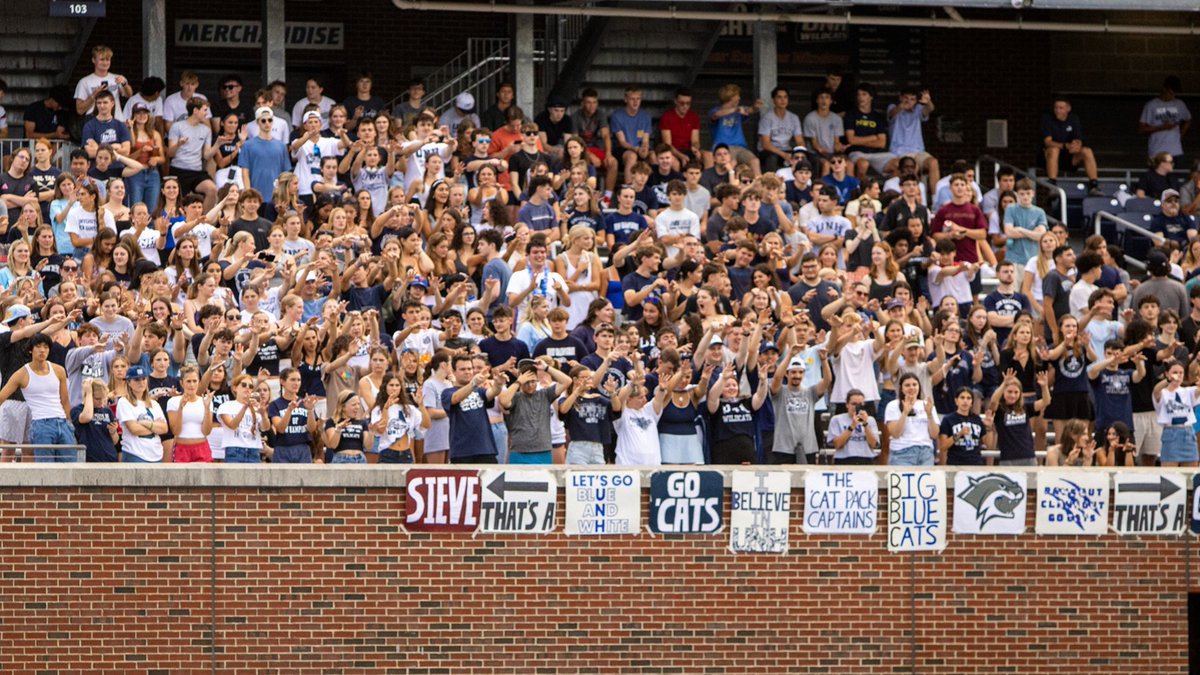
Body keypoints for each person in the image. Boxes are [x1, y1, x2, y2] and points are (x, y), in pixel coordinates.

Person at [0, 334, 73, 462]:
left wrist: (70, 423)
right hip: (40, 423)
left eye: (46, 347)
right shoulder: (22, 374)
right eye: (38, 346)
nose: (42, 350)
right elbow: (2, 396)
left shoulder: (59, 370)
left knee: (70, 464)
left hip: (62, 421)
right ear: (31, 350)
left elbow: (65, 400)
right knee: (45, 466)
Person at [498, 358, 572, 464]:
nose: (530, 385)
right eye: (526, 382)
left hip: (543, 451)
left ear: (537, 380)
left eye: (533, 381)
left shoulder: (545, 394)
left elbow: (567, 381)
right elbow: (503, 401)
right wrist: (518, 382)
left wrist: (546, 368)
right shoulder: (515, 397)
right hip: (519, 451)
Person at [442, 354, 504, 463]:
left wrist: (498, 385)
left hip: (486, 449)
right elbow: (456, 398)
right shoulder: (447, 392)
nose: (467, 372)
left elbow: (491, 393)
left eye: (469, 369)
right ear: (453, 371)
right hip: (462, 452)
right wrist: (473, 383)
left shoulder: (479, 390)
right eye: (462, 369)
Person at [1040, 97, 1102, 195]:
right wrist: (1064, 146)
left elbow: (1078, 139)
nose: (1057, 110)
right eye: (1056, 108)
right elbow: (1047, 142)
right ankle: (1052, 185)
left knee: (1087, 151)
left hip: (1070, 158)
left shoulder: (1073, 118)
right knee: (1054, 150)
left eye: (1061, 108)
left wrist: (1076, 146)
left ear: (1068, 109)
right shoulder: (1047, 118)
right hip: (1050, 158)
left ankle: (1093, 185)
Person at [887, 88, 939, 193]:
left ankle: (935, 199)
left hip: (918, 151)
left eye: (912, 99)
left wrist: (928, 101)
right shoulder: (893, 107)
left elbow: (930, 109)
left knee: (933, 162)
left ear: (916, 101)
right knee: (910, 167)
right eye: (906, 98)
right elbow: (892, 113)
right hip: (899, 151)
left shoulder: (918, 110)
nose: (908, 101)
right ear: (900, 98)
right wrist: (902, 106)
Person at [116, 365, 169, 463]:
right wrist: (155, 428)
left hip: (156, 454)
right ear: (129, 382)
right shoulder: (124, 402)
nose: (141, 382)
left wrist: (145, 423)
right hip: (135, 454)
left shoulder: (154, 404)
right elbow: (134, 429)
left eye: (144, 379)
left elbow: (164, 429)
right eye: (137, 379)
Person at [1153, 360, 1198, 467]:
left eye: (1181, 372)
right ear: (1167, 373)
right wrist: (1169, 380)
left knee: (1191, 472)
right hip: (1171, 433)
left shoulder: (1188, 391)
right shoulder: (1163, 393)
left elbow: (1197, 391)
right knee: (1170, 472)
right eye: (1175, 372)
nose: (1178, 375)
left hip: (1188, 433)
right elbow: (1156, 391)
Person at [166, 365, 214, 463]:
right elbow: (176, 431)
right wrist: (180, 408)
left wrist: (207, 408)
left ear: (199, 382)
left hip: (201, 447)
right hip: (181, 448)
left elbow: (207, 431)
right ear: (182, 383)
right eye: (188, 381)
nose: (192, 385)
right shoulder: (173, 401)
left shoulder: (206, 401)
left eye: (194, 381)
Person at [218, 374, 270, 464]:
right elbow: (232, 425)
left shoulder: (256, 407)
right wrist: (245, 407)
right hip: (234, 449)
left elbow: (265, 428)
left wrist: (263, 414)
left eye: (250, 386)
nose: (247, 388)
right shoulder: (226, 406)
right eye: (243, 385)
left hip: (254, 450)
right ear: (235, 388)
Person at [1139, 75, 1191, 164]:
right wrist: (1162, 127)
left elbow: (1188, 120)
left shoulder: (1179, 104)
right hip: (1157, 151)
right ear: (1164, 89)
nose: (1172, 97)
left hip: (1176, 151)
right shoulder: (1151, 105)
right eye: (1170, 93)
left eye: (1174, 94)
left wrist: (1180, 135)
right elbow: (1141, 129)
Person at [74, 45, 132, 121]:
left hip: (116, 121)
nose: (105, 63)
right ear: (93, 60)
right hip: (94, 123)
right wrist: (94, 94)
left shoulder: (118, 78)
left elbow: (129, 95)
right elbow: (80, 110)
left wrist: (124, 84)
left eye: (107, 59)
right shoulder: (84, 81)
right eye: (102, 59)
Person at [758, 87, 804, 173]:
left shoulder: (794, 118)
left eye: (785, 97)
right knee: (772, 158)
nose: (783, 100)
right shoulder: (767, 118)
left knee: (810, 158)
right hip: (769, 151)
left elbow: (800, 141)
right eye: (779, 97)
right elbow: (766, 144)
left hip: (786, 149)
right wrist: (783, 155)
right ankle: (771, 181)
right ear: (773, 100)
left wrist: (799, 153)